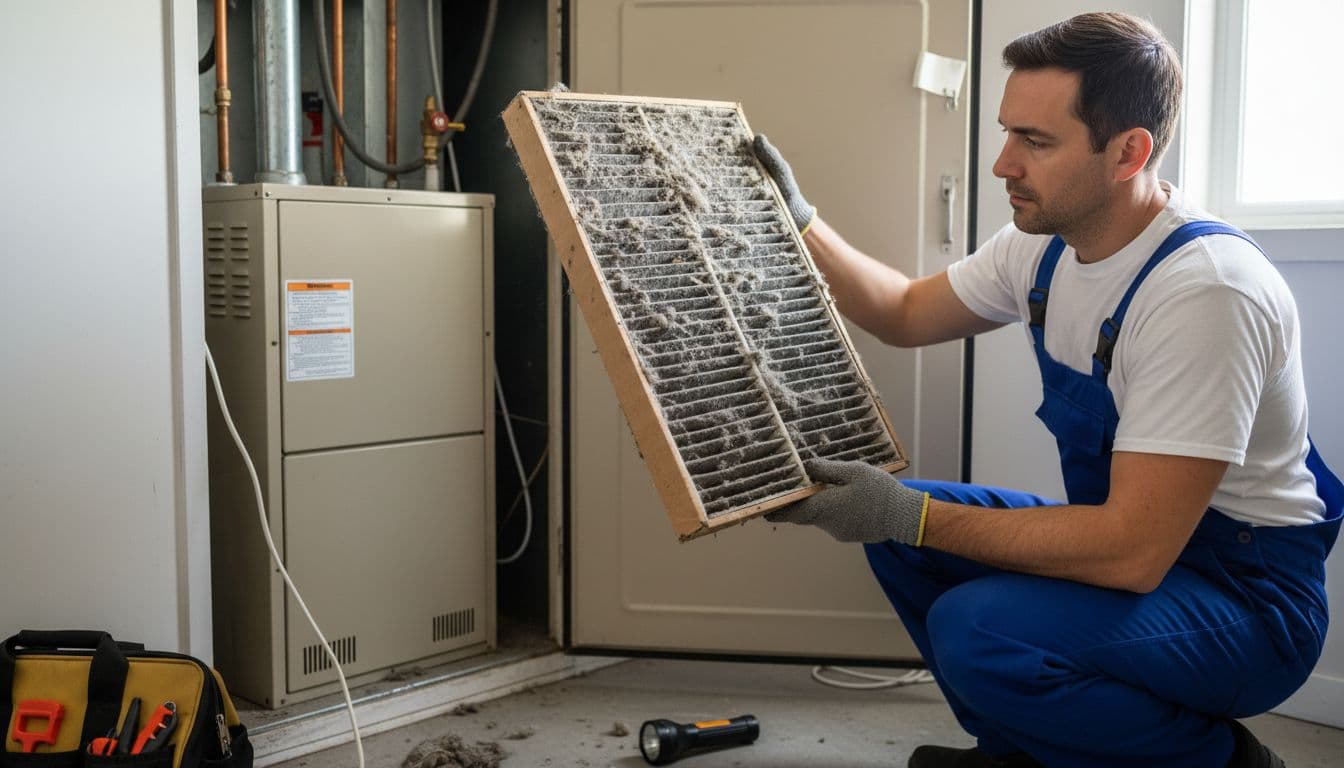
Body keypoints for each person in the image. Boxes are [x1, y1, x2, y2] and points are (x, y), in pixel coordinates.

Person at [753, 12, 1342, 768]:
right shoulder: (1041, 246)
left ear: (1129, 152)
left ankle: (1222, 762)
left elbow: (1132, 554)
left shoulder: (1206, 293)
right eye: (1007, 133)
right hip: (1147, 547)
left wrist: (908, 511)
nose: (1002, 164)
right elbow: (901, 311)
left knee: (979, 625)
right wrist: (797, 219)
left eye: (1035, 142)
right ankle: (1026, 751)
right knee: (903, 548)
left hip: (1248, 601)